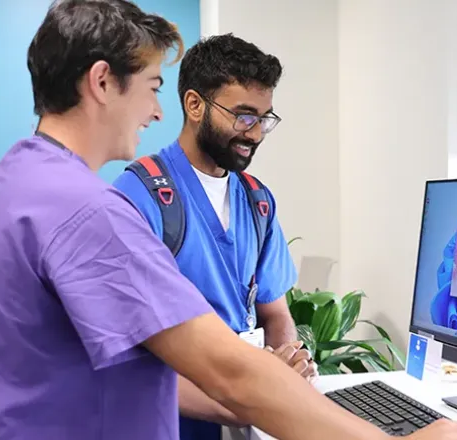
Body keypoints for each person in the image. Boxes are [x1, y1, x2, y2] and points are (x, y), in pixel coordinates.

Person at [0, 1, 457, 440]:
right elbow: (229, 372)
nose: (156, 110)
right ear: (101, 82)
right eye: (149, 87)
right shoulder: (91, 210)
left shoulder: (11, 184)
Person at [111, 33, 312, 439]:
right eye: (243, 115)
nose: (254, 133)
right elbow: (125, 357)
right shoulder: (139, 197)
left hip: (246, 420)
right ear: (195, 104)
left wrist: (287, 362)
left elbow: (275, 313)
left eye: (264, 118)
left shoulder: (258, 201)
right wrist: (241, 402)